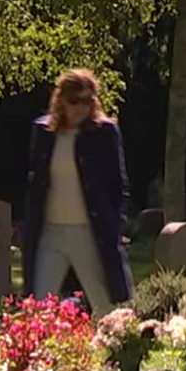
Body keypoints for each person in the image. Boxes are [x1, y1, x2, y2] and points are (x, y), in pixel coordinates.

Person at [22, 68, 133, 317]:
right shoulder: (43, 132)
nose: (81, 108)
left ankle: (117, 350)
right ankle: (39, 353)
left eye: (87, 100)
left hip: (89, 231)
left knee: (106, 306)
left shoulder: (104, 133)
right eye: (75, 101)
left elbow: (118, 184)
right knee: (39, 305)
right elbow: (36, 182)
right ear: (61, 99)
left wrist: (116, 223)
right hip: (50, 232)